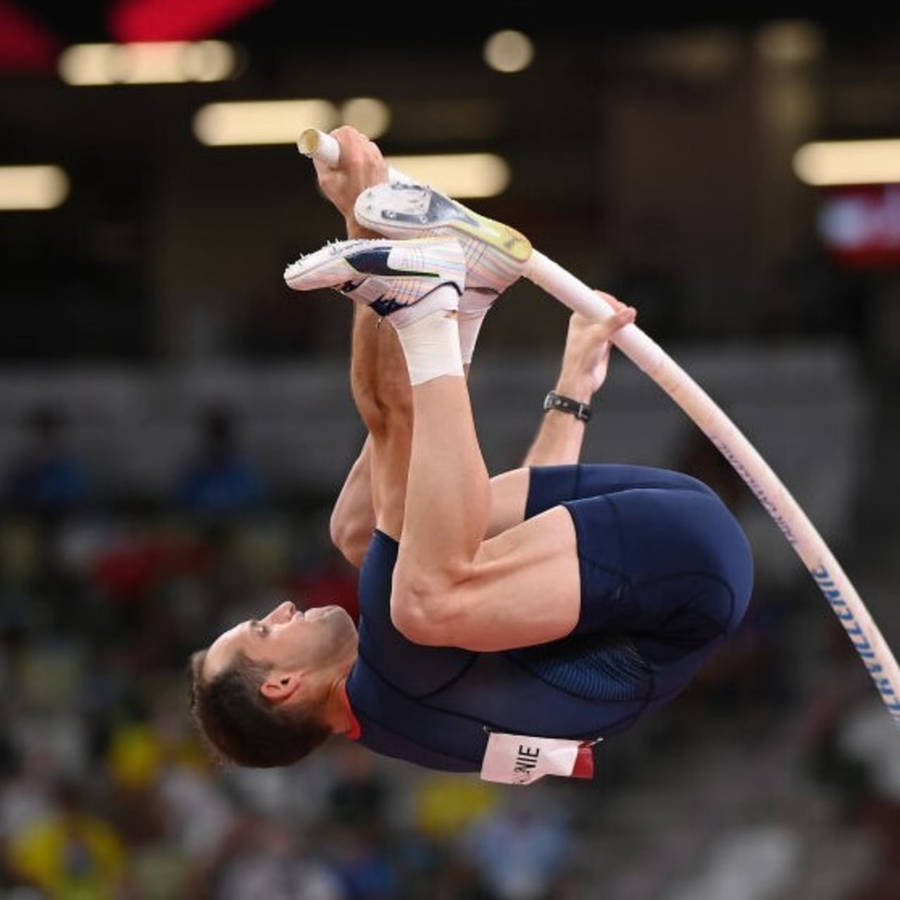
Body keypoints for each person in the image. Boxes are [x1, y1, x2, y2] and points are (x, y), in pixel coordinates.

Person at [189, 129, 753, 776]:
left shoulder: (409, 701)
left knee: (359, 534)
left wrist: (573, 389)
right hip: (682, 567)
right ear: (281, 685)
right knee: (419, 594)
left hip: (663, 552)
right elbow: (393, 416)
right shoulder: (399, 671)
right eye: (265, 630)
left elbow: (533, 543)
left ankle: (462, 300)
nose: (280, 608)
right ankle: (442, 312)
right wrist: (364, 221)